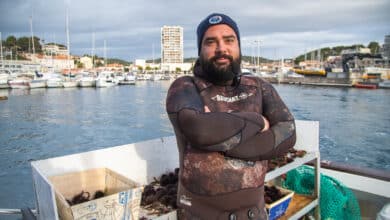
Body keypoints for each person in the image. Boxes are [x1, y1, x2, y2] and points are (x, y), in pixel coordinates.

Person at [166, 13, 296, 219]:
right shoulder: (185, 87)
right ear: (200, 50)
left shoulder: (258, 87)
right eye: (211, 42)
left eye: (229, 40)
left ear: (238, 46)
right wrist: (259, 122)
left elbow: (287, 133)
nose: (221, 48)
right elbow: (200, 130)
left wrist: (222, 139)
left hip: (255, 214)